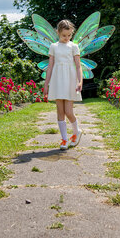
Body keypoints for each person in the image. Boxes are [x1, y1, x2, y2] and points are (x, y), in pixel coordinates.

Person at [43, 19, 83, 150]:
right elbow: (50, 67)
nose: (67, 38)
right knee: (60, 111)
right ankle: (64, 139)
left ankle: (77, 131)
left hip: (70, 79)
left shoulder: (74, 46)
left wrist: (80, 81)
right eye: (64, 35)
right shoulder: (53, 46)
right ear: (58, 33)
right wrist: (46, 84)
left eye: (69, 35)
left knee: (68, 111)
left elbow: (78, 66)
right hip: (57, 80)